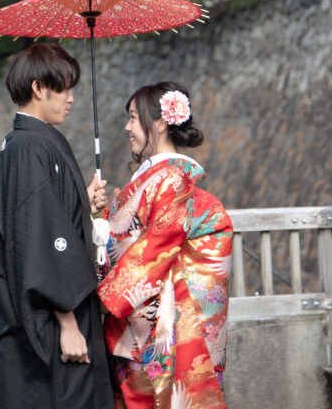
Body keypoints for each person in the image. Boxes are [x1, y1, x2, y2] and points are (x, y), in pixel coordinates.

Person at [0, 42, 114, 409]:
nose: (70, 98)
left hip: (42, 317)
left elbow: (45, 217)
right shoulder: (31, 146)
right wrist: (68, 322)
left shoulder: (23, 141)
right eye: (62, 88)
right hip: (53, 321)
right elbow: (42, 239)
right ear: (38, 88)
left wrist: (81, 202)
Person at [98, 81, 233, 409]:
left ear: (159, 122)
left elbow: (155, 248)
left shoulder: (172, 179)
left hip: (159, 326)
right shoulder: (153, 178)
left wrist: (102, 299)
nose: (127, 127)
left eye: (133, 117)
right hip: (142, 320)